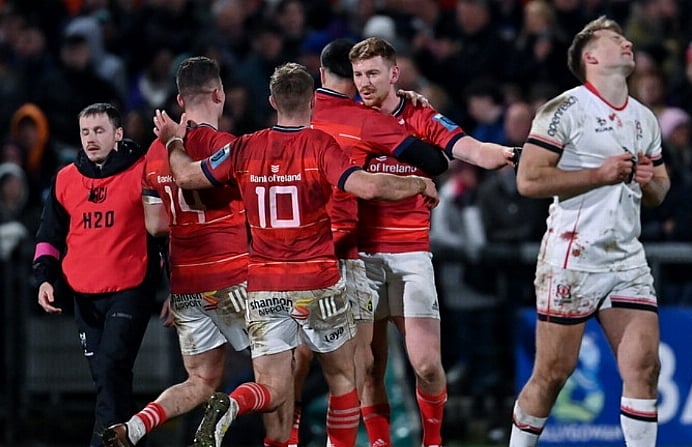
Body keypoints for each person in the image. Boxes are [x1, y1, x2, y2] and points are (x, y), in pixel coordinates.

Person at [152, 62, 440, 447]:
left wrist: (173, 141)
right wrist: (417, 181)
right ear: (312, 102)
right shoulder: (321, 145)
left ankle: (235, 404)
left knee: (271, 385)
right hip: (317, 281)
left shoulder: (245, 146)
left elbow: (188, 177)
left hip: (265, 286)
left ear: (272, 100)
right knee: (344, 378)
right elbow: (368, 187)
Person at [510, 16, 670, 447]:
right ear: (591, 56)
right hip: (573, 257)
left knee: (645, 367)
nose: (628, 43)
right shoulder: (565, 109)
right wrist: (599, 174)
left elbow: (660, 188)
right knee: (553, 373)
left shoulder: (644, 118)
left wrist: (648, 179)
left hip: (626, 257)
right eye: (616, 40)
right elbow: (528, 180)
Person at [348, 36, 515, 447]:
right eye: (357, 75)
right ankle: (381, 443)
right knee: (370, 366)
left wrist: (512, 152)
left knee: (426, 365)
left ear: (394, 74)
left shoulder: (420, 115)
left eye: (372, 73)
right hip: (362, 255)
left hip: (410, 254)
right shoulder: (348, 120)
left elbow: (469, 149)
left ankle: (433, 441)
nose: (364, 83)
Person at [284, 38, 451, 447]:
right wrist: (416, 174)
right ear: (354, 77)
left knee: (325, 362)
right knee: (359, 366)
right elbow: (434, 162)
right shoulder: (363, 118)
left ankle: (284, 437)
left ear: (321, 75)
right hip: (344, 253)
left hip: (296, 251)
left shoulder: (294, 118)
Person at [101, 57, 250, 447]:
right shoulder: (226, 147)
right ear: (218, 94)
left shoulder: (154, 153)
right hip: (233, 276)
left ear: (181, 101)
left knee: (200, 380)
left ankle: (134, 428)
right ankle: (242, 420)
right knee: (284, 368)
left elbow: (156, 226)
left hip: (186, 285)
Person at [32, 102, 161, 447]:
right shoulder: (65, 179)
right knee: (110, 379)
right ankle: (130, 438)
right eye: (86, 132)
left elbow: (164, 233)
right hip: (84, 294)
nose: (91, 139)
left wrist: (176, 286)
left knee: (109, 368)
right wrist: (44, 278)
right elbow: (49, 236)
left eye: (99, 131)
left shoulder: (142, 172)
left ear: (118, 134)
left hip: (131, 288)